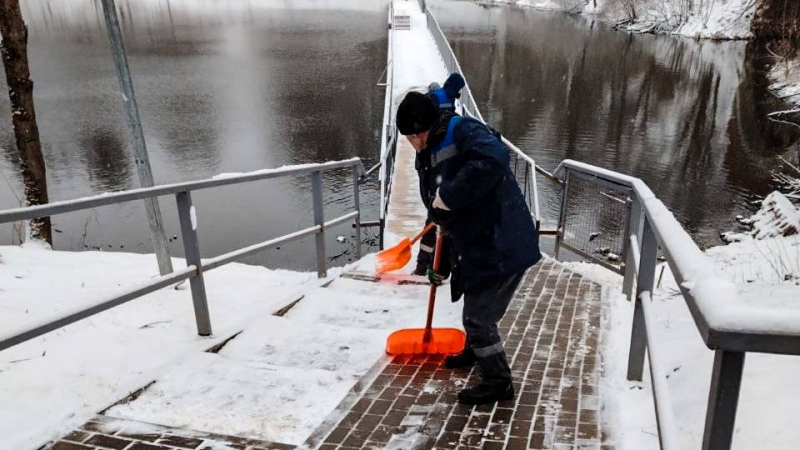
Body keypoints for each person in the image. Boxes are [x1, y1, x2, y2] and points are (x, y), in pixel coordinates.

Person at [396, 91, 542, 405]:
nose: (410, 143)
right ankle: (476, 350)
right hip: (479, 241)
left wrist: (448, 195)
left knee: (478, 318)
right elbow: (441, 214)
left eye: (409, 137)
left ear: (419, 131)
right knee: (473, 303)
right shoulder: (428, 151)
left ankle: (498, 381)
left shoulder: (463, 130)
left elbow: (493, 159)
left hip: (502, 241)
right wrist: (441, 265)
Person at [412, 73, 466, 277]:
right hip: (441, 174)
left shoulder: (431, 107)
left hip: (437, 177)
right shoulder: (451, 115)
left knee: (436, 218)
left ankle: (426, 266)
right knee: (439, 219)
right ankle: (439, 266)